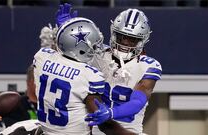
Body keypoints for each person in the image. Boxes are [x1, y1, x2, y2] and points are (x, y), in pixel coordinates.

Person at [56, 5, 162, 135]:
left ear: (142, 40)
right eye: (122, 36)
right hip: (95, 130)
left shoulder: (148, 65)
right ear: (113, 33)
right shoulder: (96, 54)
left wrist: (111, 113)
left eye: (133, 39)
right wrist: (67, 31)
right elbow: (67, 56)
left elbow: (138, 101)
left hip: (128, 131)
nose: (126, 43)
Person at [33, 16, 107, 135]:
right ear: (81, 49)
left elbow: (58, 55)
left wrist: (63, 32)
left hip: (46, 130)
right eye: (93, 45)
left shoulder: (42, 56)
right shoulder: (90, 75)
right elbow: (102, 121)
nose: (96, 49)